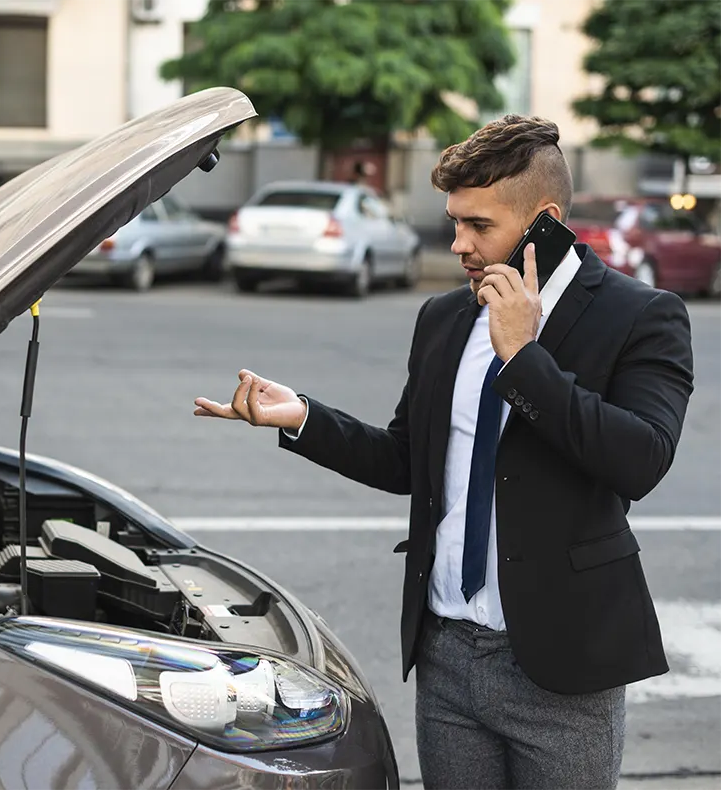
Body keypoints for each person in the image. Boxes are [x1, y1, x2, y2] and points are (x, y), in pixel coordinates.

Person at [193, 115, 695, 789]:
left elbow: (641, 459)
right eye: (453, 221)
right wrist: (305, 418)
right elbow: (406, 460)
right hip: (448, 657)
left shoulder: (641, 316)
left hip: (564, 665)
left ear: (544, 220)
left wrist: (523, 355)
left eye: (478, 226)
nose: (456, 243)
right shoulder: (445, 318)